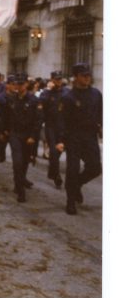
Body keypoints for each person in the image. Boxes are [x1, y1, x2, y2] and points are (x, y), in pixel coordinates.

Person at [56, 63, 102, 215]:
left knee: (95, 167)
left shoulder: (96, 94)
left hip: (90, 136)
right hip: (73, 136)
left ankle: (77, 185)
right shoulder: (68, 97)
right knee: (72, 169)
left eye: (88, 75)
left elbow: (101, 113)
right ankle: (70, 201)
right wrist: (60, 140)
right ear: (75, 77)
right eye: (83, 75)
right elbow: (61, 120)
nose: (87, 78)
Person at [1, 73, 42, 203]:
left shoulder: (34, 100)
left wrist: (33, 136)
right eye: (17, 84)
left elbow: (38, 120)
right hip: (15, 134)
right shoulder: (11, 99)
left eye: (22, 83)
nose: (19, 86)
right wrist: (4, 131)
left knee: (24, 161)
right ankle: (20, 190)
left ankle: (19, 181)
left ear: (26, 84)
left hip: (28, 135)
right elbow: (6, 116)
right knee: (17, 161)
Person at [39, 71, 69, 188]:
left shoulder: (66, 92)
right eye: (56, 79)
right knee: (53, 151)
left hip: (64, 126)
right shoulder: (46, 93)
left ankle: (52, 171)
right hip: (51, 126)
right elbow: (41, 106)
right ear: (51, 80)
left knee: (59, 150)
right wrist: (48, 90)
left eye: (60, 79)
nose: (58, 81)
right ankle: (56, 175)